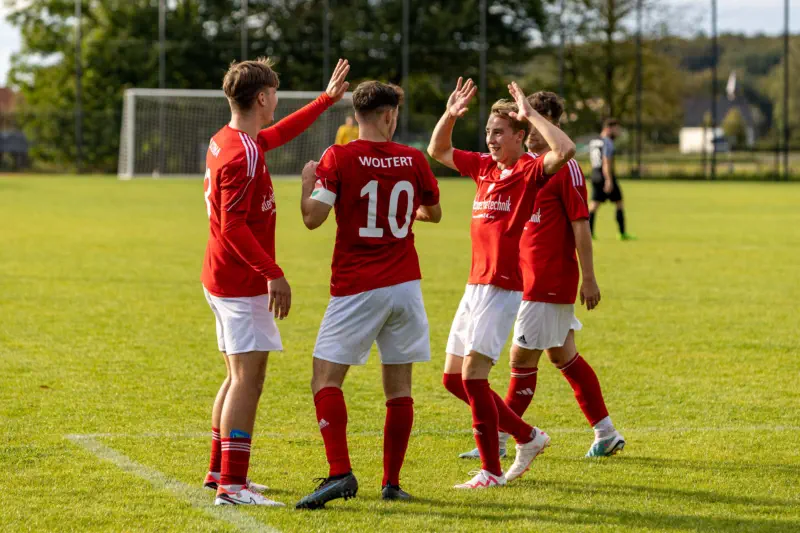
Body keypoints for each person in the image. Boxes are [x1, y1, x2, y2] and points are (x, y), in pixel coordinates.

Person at [201, 57, 351, 506]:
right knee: (248, 380)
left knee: (236, 377)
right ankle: (232, 485)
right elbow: (233, 227)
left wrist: (325, 101)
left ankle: (219, 472)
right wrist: (274, 273)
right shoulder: (242, 153)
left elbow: (281, 133)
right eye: (276, 94)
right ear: (263, 97)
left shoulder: (228, 139)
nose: (278, 102)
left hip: (223, 277)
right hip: (240, 282)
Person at [295, 81, 442, 509]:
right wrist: (402, 211)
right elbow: (433, 212)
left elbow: (313, 218)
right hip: (406, 286)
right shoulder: (413, 158)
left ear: (357, 115)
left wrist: (306, 183)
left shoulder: (338, 156)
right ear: (389, 115)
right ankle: (392, 482)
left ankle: (340, 472)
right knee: (399, 388)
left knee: (325, 379)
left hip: (358, 286)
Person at [458, 91, 625, 461]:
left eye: (535, 120)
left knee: (521, 360)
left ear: (552, 123)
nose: (529, 129)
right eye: (525, 120)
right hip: (526, 278)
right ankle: (606, 432)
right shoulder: (527, 166)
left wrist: (589, 277)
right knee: (564, 355)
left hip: (548, 279)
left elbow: (581, 224)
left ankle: (501, 439)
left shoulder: (564, 167)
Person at [428, 79, 576, 490]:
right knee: (453, 379)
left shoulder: (530, 169)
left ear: (518, 136)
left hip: (503, 286)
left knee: (474, 378)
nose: (491, 139)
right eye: (488, 132)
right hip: (474, 285)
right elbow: (438, 150)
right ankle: (528, 436)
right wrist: (450, 115)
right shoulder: (483, 167)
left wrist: (531, 114)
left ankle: (491, 471)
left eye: (499, 133)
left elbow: (565, 150)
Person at [588, 118, 634, 240]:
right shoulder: (607, 142)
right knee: (619, 203)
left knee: (594, 204)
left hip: (595, 173)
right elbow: (606, 161)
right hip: (605, 174)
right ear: (608, 129)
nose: (618, 132)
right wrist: (608, 180)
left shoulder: (594, 141)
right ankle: (622, 233)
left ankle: (589, 233)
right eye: (616, 129)